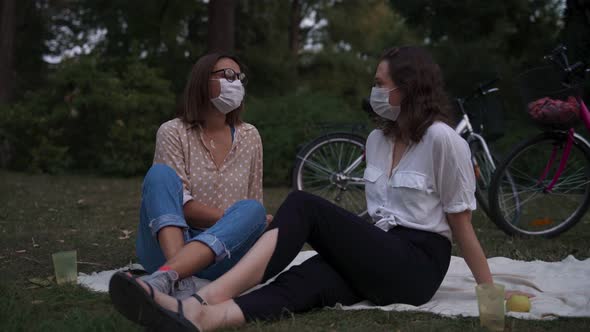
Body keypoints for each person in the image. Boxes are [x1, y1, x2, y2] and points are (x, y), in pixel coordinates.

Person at [109, 46, 527, 331]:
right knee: (309, 278)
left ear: (410, 88)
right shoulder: (377, 142)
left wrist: (490, 295)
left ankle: (204, 298)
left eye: (382, 84)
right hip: (382, 253)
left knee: (305, 206)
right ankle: (206, 320)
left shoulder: (443, 140)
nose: (375, 91)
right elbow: (380, 217)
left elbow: (463, 226)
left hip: (418, 266)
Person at [109, 52, 273, 319]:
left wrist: (253, 221)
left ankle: (168, 279)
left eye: (240, 78)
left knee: (253, 208)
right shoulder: (172, 132)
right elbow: (176, 205)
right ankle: (175, 276)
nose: (236, 83)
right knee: (159, 175)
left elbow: (254, 200)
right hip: (167, 245)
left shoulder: (250, 136)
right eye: (228, 76)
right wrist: (230, 217)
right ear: (201, 81)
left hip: (221, 253)